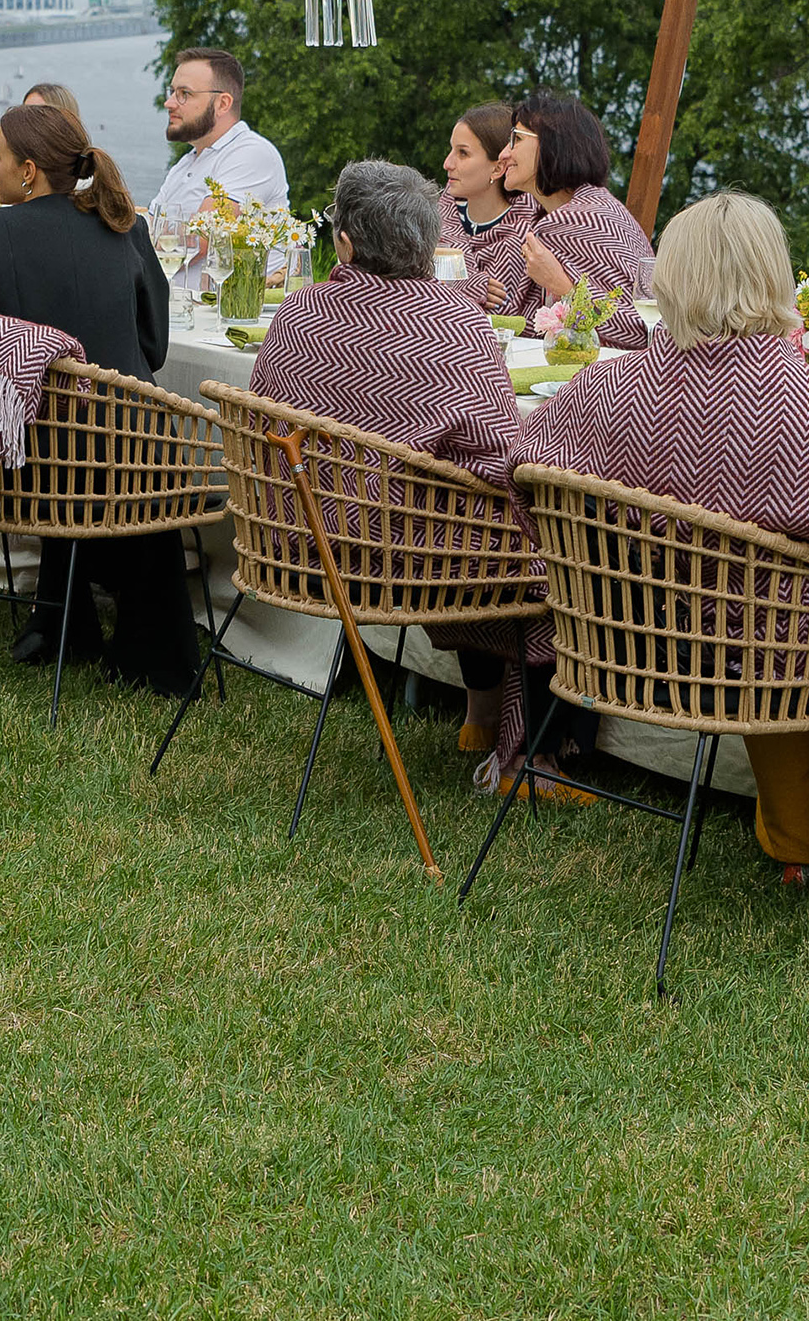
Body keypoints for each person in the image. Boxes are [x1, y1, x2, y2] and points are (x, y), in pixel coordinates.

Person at [519, 193, 809, 919]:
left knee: (766, 617)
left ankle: (797, 846)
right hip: (774, 655)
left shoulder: (601, 388)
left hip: (641, 641)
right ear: (772, 277)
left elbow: (527, 474)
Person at [246, 162, 578, 800]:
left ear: (344, 243)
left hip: (295, 542)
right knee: (543, 542)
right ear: (430, 245)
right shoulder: (457, 325)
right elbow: (503, 457)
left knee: (479, 516)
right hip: (414, 560)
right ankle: (531, 759)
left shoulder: (296, 311)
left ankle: (481, 720)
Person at [0, 99, 192, 694]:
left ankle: (63, 620)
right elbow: (154, 345)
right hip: (143, 459)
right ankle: (121, 634)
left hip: (40, 462)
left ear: (29, 171)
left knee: (58, 422)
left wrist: (15, 350)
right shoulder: (129, 226)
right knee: (91, 424)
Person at [503, 91, 653, 348]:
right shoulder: (587, 208)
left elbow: (642, 329)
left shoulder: (578, 220)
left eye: (516, 139)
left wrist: (562, 286)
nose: (504, 153)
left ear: (552, 145)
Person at [148, 46, 287, 218]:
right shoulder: (185, 164)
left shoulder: (252, 153)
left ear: (222, 104)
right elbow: (148, 228)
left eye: (185, 93)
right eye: (172, 92)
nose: (169, 103)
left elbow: (206, 231)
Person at [438, 102, 536, 311]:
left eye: (463, 153)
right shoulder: (431, 224)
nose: (447, 163)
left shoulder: (527, 239)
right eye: (451, 149)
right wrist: (463, 287)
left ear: (498, 168)